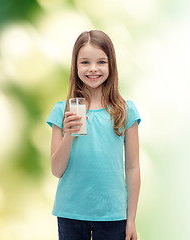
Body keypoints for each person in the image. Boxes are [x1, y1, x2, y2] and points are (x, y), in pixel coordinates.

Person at [46, 30, 141, 240]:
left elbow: (132, 167)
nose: (93, 69)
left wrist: (131, 219)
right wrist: (69, 134)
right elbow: (56, 170)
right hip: (70, 212)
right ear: (75, 66)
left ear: (111, 66)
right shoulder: (62, 111)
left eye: (101, 62)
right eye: (85, 62)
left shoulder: (125, 111)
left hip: (113, 215)